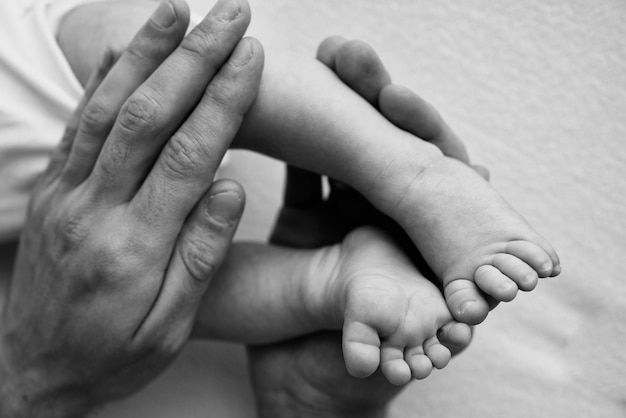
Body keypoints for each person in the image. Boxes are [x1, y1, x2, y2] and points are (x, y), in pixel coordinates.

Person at [56, 0, 561, 331]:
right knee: (119, 308)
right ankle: (324, 281)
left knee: (160, 59)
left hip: (41, 66)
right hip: (46, 238)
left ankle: (415, 175)